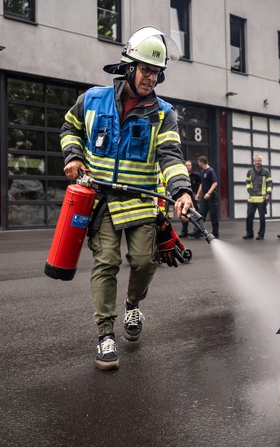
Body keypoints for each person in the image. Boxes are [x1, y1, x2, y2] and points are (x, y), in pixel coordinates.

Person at [60, 26, 193, 371]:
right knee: (106, 262)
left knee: (145, 262)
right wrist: (73, 155)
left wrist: (181, 192)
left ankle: (133, 302)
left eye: (157, 72)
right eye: (147, 70)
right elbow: (70, 127)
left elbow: (171, 155)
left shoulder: (163, 113)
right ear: (129, 67)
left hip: (141, 202)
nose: (152, 78)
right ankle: (105, 335)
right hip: (101, 201)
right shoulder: (92, 99)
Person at [243, 155, 272, 240]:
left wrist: (268, 194)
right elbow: (247, 181)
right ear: (254, 161)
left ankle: (261, 234)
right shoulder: (250, 171)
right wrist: (249, 189)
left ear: (261, 161)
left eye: (259, 160)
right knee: (249, 217)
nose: (257, 162)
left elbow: (269, 183)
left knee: (262, 217)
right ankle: (249, 233)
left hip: (262, 198)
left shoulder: (266, 172)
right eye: (256, 160)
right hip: (251, 198)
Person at [195, 156, 219, 238]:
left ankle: (215, 232)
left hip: (211, 197)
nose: (198, 163)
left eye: (199, 162)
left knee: (213, 215)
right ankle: (198, 231)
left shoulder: (210, 171)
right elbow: (201, 184)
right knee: (201, 214)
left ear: (202, 162)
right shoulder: (202, 172)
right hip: (204, 197)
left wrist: (208, 193)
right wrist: (198, 194)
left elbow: (215, 183)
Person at [180, 160, 201, 237]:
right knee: (184, 213)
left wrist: (198, 194)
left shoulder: (196, 175)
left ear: (191, 166)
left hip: (194, 197)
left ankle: (197, 232)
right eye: (187, 165)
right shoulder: (183, 175)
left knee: (196, 213)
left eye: (189, 165)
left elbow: (201, 184)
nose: (188, 166)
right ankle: (184, 232)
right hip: (185, 197)